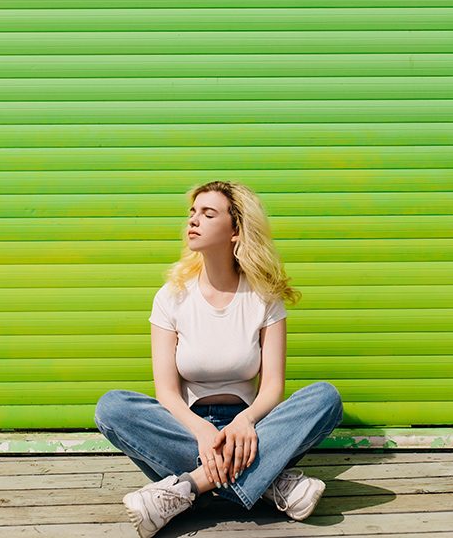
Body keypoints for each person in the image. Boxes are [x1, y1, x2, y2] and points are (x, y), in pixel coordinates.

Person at [95, 180, 343, 538]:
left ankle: (188, 488)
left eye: (208, 214)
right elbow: (166, 392)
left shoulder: (264, 297)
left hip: (254, 430)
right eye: (192, 213)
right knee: (112, 407)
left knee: (325, 398)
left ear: (236, 231)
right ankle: (271, 482)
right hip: (186, 427)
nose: (193, 221)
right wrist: (201, 430)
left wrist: (244, 421)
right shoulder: (171, 296)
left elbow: (272, 386)